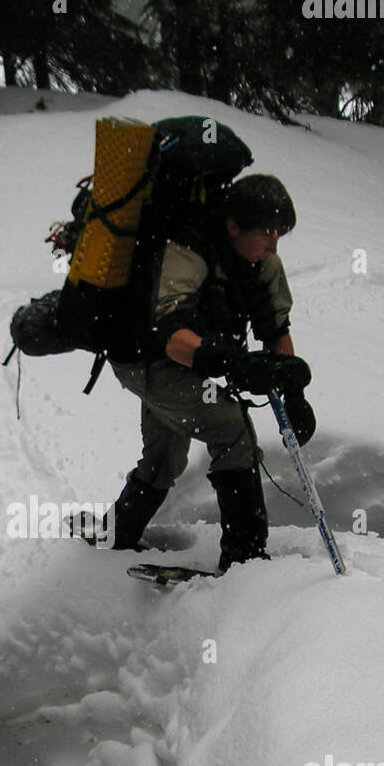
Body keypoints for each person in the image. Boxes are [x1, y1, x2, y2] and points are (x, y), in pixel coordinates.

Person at [103, 173, 314, 570]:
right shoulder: (190, 250)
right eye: (266, 232)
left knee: (165, 455)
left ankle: (114, 534)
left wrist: (293, 391)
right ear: (233, 226)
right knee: (231, 427)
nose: (273, 244)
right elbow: (171, 334)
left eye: (279, 235)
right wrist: (231, 362)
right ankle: (244, 559)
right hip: (146, 360)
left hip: (183, 361)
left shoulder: (264, 262)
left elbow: (275, 329)